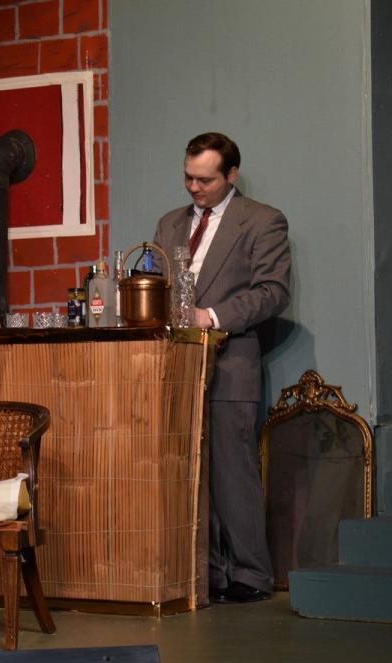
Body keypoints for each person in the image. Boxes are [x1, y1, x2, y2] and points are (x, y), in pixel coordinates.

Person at [153, 132, 291, 603]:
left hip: (230, 363)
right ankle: (206, 573)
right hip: (177, 367)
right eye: (189, 178)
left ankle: (251, 574)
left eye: (205, 180)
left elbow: (274, 291)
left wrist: (210, 316)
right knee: (190, 477)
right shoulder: (170, 224)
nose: (194, 188)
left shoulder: (262, 220)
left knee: (234, 474)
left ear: (231, 175)